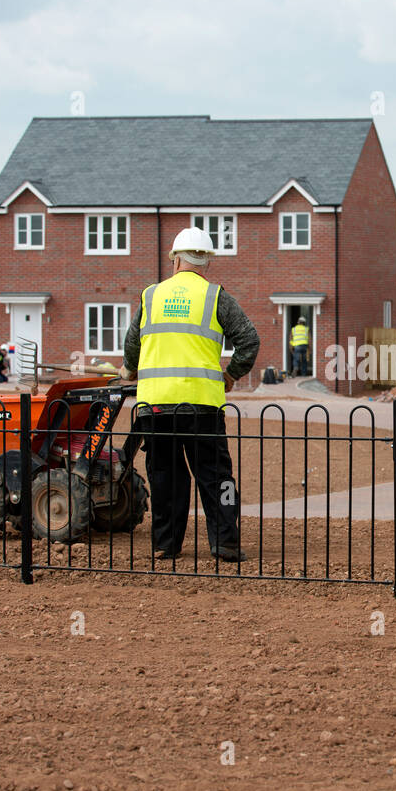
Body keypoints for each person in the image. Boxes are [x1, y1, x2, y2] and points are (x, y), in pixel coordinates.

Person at [122, 227, 260, 561]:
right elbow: (249, 340)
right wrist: (230, 375)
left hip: (155, 406)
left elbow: (132, 344)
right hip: (203, 406)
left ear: (174, 260)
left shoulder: (151, 295)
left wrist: (129, 369)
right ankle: (225, 542)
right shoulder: (216, 297)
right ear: (206, 262)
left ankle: (165, 545)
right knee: (217, 477)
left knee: (165, 477)